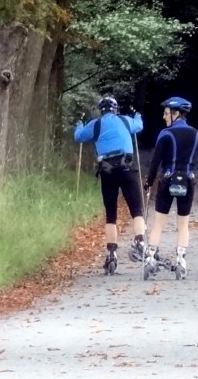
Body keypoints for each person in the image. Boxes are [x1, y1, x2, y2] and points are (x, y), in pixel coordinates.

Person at [74, 96, 147, 274]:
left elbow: (79, 137)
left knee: (111, 214)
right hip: (127, 169)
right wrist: (137, 115)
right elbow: (139, 126)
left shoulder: (96, 124)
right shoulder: (124, 120)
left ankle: (112, 253)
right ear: (115, 109)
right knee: (137, 209)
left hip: (107, 171)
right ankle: (140, 241)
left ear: (101, 110)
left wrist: (79, 123)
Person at [142, 96, 198, 278]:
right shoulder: (197, 134)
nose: (164, 117)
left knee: (159, 222)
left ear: (176, 114)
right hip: (187, 182)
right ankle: (181, 260)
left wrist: (148, 182)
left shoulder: (165, 134)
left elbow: (155, 162)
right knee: (183, 224)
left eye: (166, 113)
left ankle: (150, 257)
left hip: (167, 181)